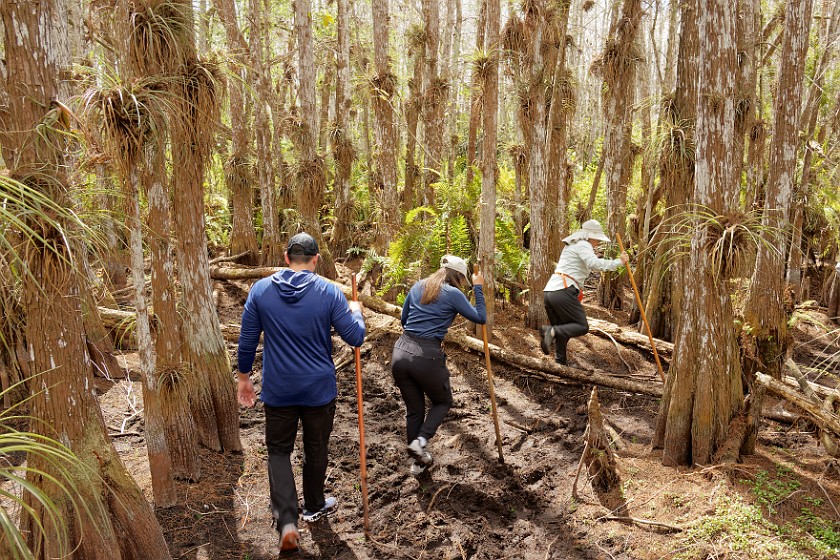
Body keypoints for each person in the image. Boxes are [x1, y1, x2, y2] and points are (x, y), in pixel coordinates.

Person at [237, 232, 365, 553]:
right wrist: (357, 311)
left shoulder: (261, 290)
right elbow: (355, 337)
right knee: (316, 445)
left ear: (285, 257)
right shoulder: (330, 293)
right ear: (316, 260)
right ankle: (314, 504)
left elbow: (247, 339)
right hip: (318, 389)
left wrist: (243, 378)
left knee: (279, 451)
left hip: (279, 388)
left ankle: (288, 522)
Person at [391, 255, 486, 476]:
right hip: (426, 355)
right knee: (443, 401)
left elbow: (404, 319)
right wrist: (479, 289)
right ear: (458, 276)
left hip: (400, 352)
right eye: (463, 281)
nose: (463, 285)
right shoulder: (453, 294)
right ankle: (421, 441)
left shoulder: (418, 286)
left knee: (414, 411)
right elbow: (481, 317)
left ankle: (418, 463)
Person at [540, 219, 629, 365]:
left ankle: (560, 362)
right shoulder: (583, 244)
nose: (598, 243)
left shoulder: (572, 245)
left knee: (563, 330)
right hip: (563, 290)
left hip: (551, 292)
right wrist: (619, 262)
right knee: (581, 326)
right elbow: (593, 263)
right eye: (597, 239)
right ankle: (550, 332)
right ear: (590, 236)